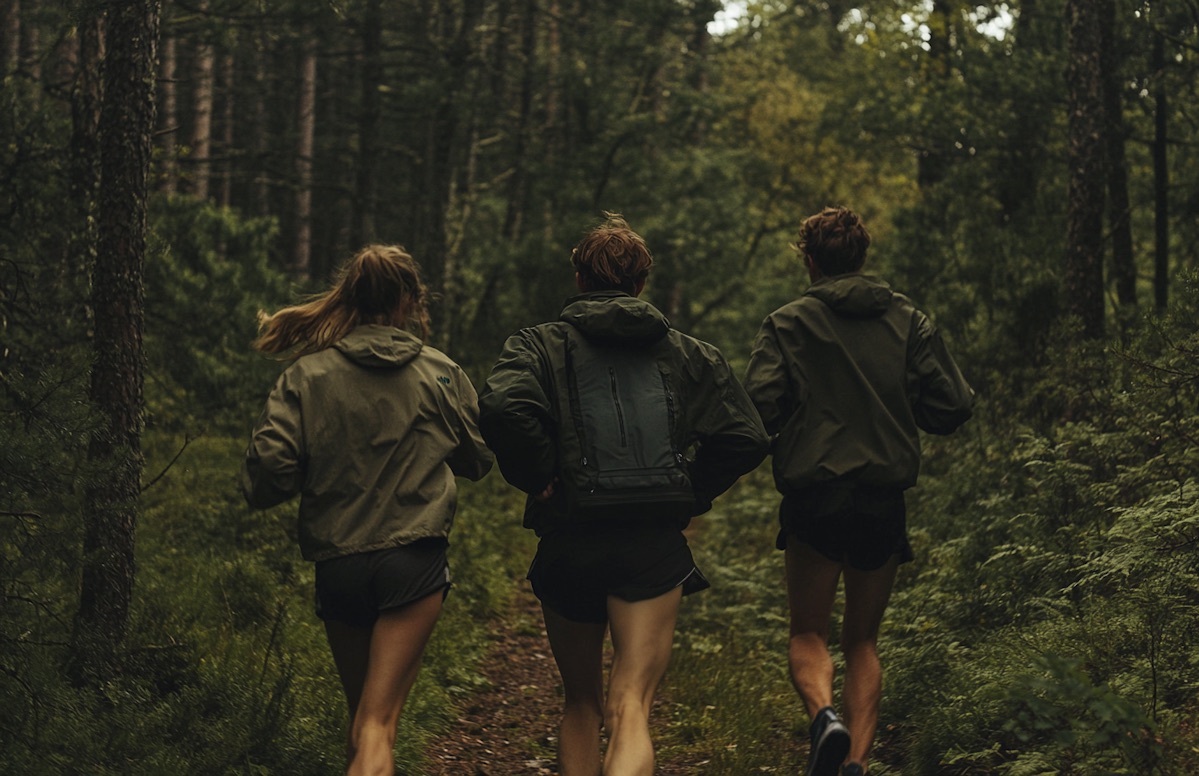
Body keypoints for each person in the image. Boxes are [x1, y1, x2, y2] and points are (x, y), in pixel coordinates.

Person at [478, 213, 769, 776]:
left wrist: (538, 474)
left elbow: (501, 406)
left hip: (570, 537)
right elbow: (747, 436)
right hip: (652, 547)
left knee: (580, 704)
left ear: (581, 279)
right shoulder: (690, 353)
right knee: (630, 705)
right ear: (641, 284)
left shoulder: (538, 345)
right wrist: (688, 492)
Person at [241, 245, 493, 776]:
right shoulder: (440, 373)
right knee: (377, 727)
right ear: (409, 301)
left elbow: (269, 471)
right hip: (413, 565)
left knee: (364, 722)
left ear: (351, 298)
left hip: (341, 566)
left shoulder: (306, 376)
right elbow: (479, 458)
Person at [743, 207, 974, 776]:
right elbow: (954, 405)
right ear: (862, 257)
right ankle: (855, 765)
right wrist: (900, 406)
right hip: (881, 499)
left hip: (815, 498)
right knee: (863, 643)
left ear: (811, 260)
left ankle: (824, 716)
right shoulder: (909, 321)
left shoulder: (787, 323)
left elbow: (757, 408)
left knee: (807, 632)